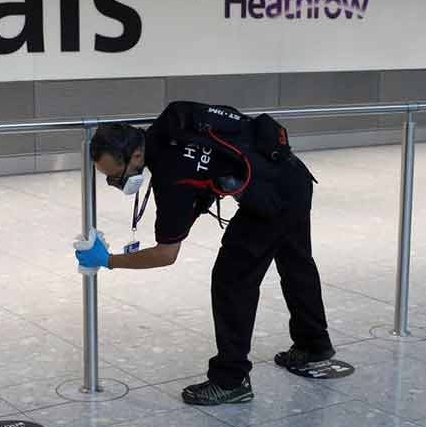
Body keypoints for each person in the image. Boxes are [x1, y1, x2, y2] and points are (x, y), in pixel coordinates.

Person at [75, 101, 336, 406]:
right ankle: (313, 343)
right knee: (295, 262)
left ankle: (231, 380)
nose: (115, 183)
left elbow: (166, 254)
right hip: (293, 176)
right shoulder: (173, 118)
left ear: (135, 154)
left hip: (272, 198)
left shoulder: (171, 178)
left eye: (116, 175)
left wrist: (107, 261)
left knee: (231, 279)